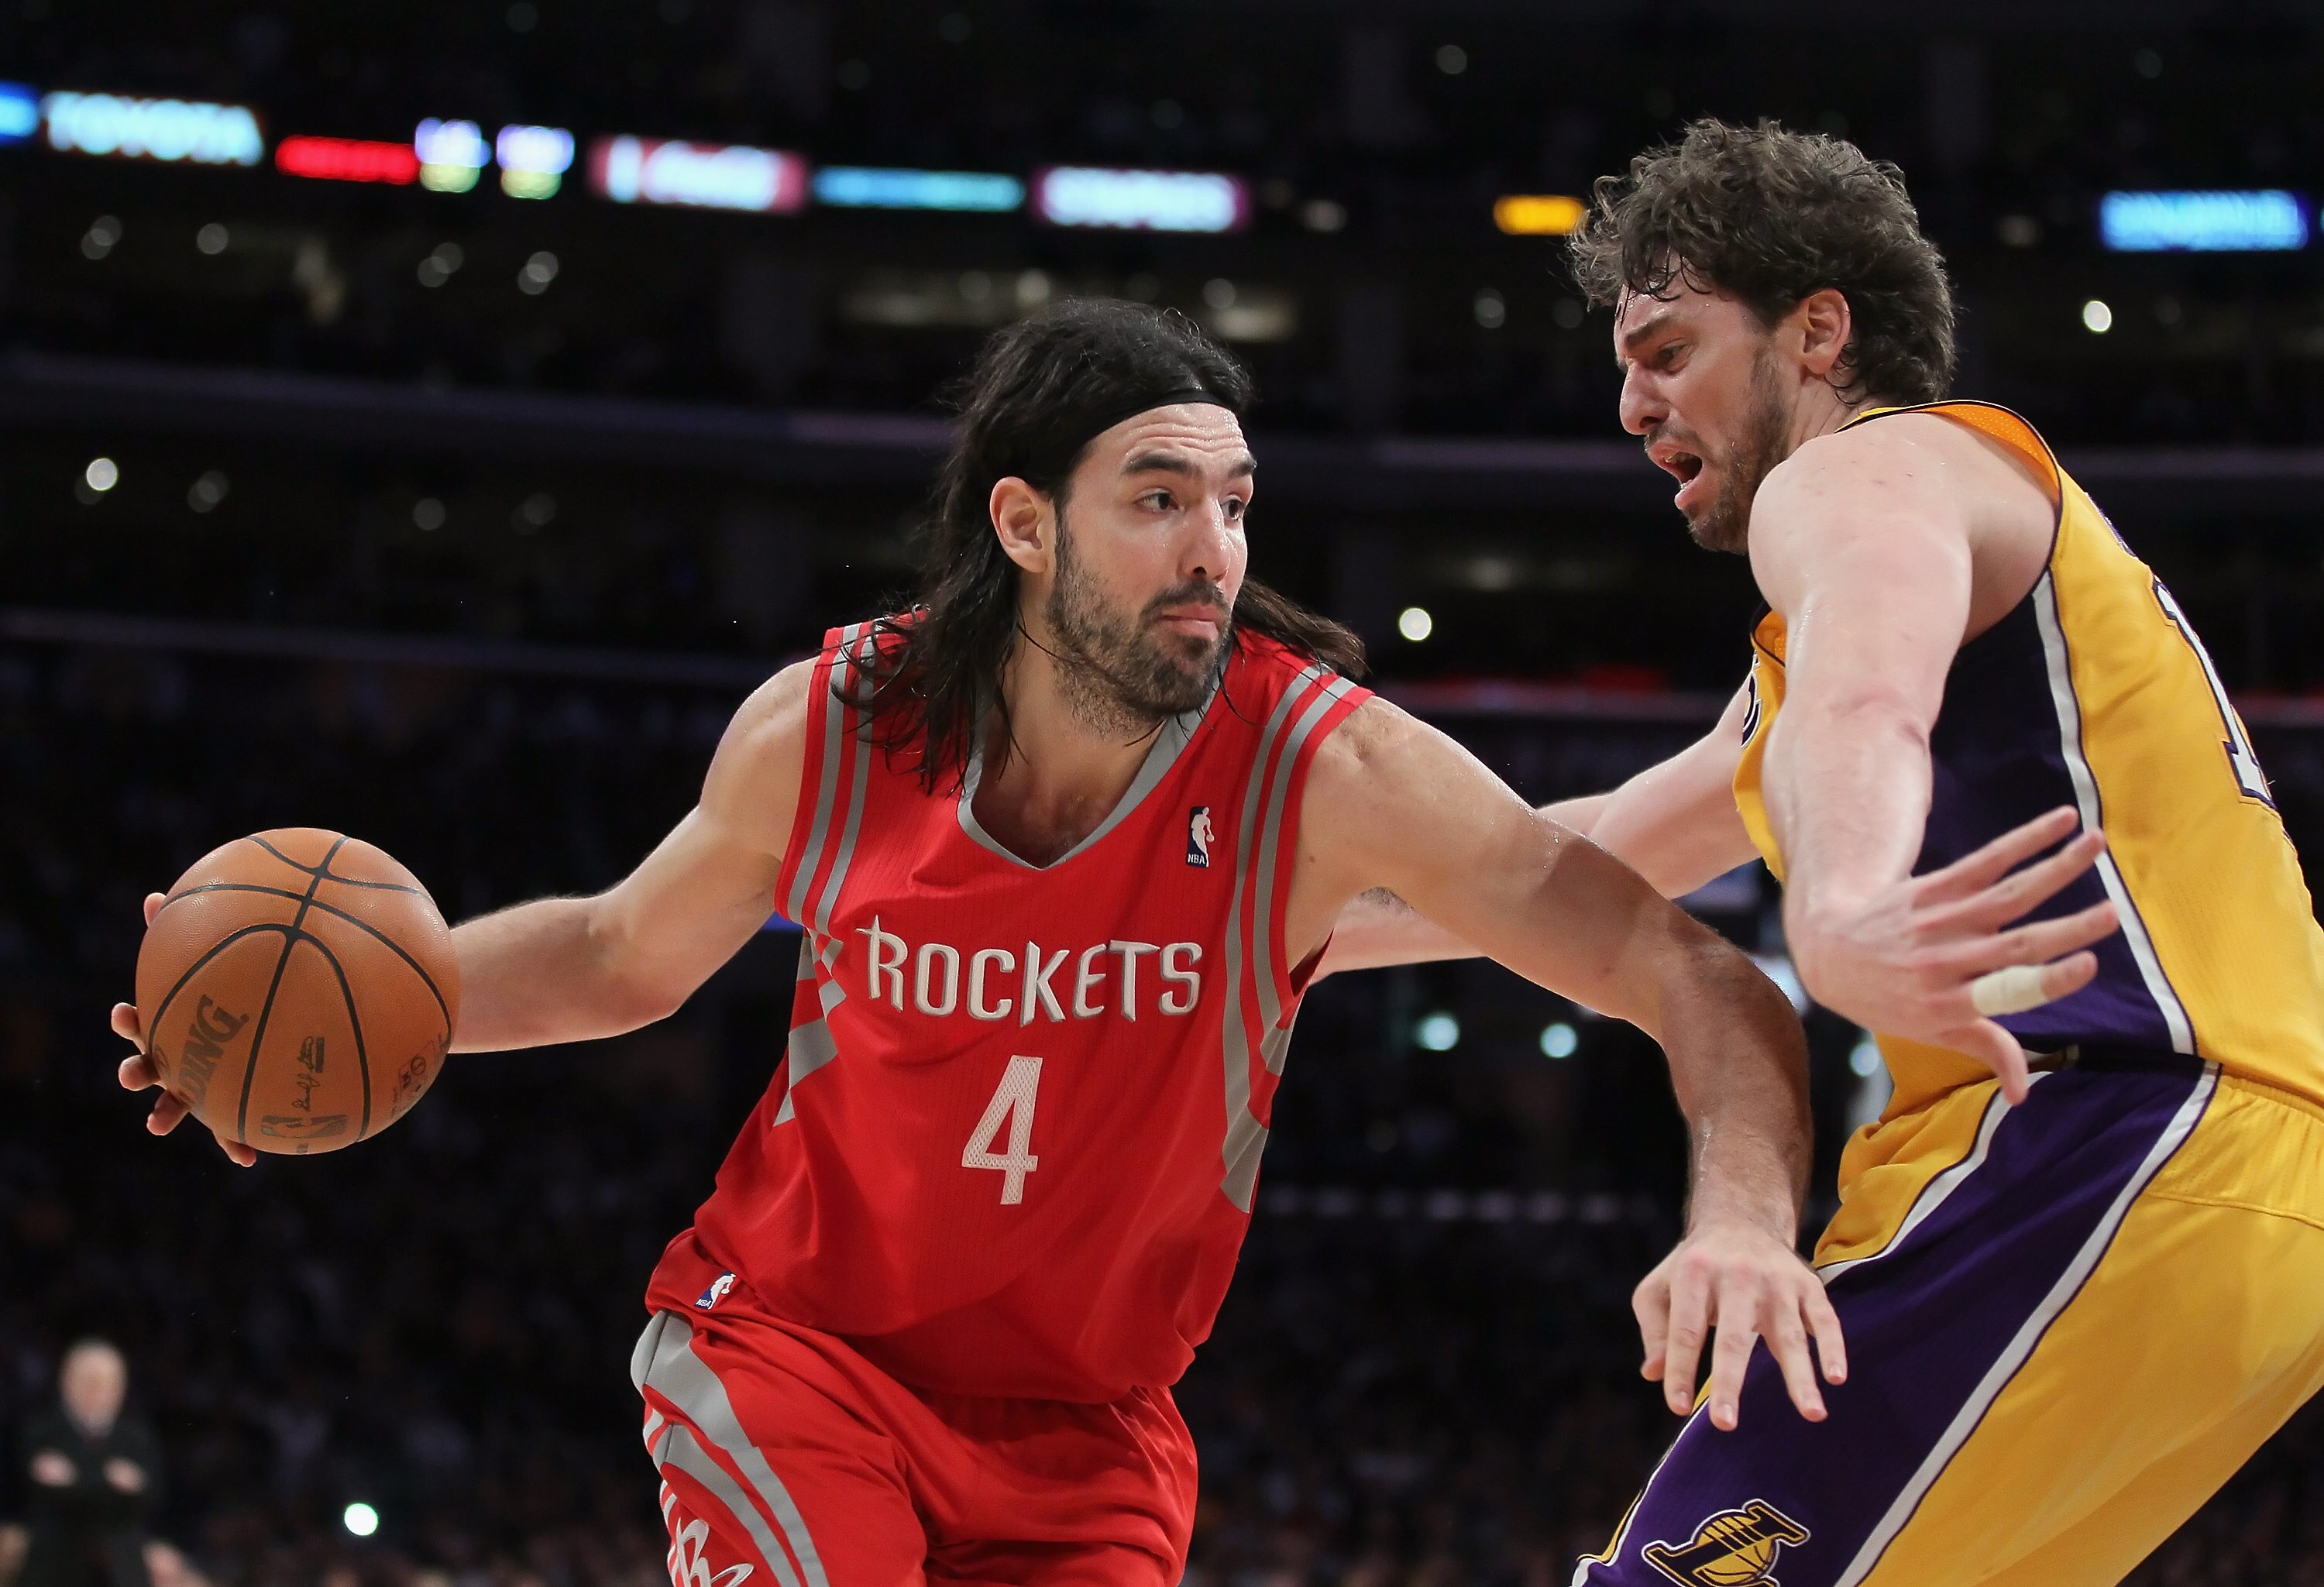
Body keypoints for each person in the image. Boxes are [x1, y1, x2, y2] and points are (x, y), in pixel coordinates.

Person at [118, 300, 1836, 1584]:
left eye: (1234, 505)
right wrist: (342, 1027)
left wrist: (1749, 1221)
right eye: (1159, 500)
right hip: (800, 1348)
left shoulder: (1325, 773)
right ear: (1024, 525)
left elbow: (1695, 971)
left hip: (1089, 1435)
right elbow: (615, 955)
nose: (1215, 553)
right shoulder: (841, 726)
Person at [1339, 118, 2324, 1587]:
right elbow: (1580, 854)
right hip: (2215, 1192)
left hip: (2122, 1130)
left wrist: (1844, 900)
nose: (1630, 404)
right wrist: (1262, 926)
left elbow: (1867, 705)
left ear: (1817, 329)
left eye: (1666, 348)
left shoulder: (1870, 474)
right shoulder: (1876, 574)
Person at [10, 1341, 160, 1587]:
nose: (100, 1391)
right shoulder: (41, 1433)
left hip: (122, 1570)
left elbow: (151, 1497)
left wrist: (76, 1479)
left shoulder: (136, 1439)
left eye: (109, 1383)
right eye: (91, 1382)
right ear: (67, 1382)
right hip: (55, 1568)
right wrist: (111, 1484)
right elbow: (41, 1495)